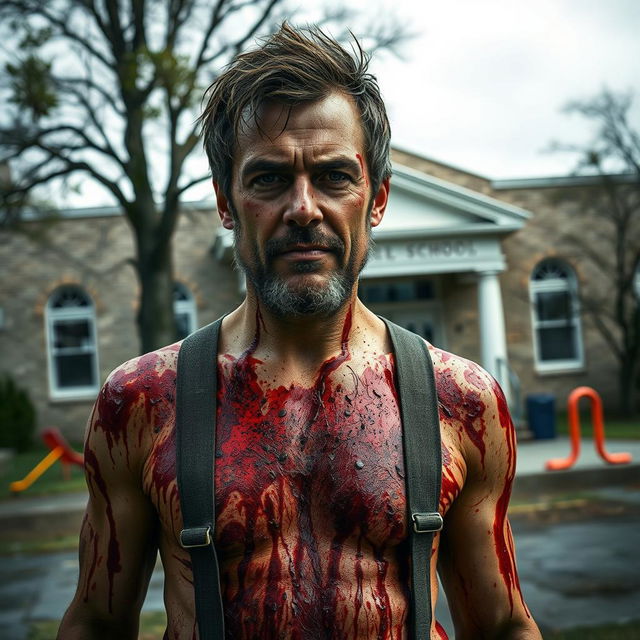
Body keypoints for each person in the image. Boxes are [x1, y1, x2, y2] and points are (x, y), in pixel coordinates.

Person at [58, 23, 542, 640]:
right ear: (226, 204)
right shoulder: (142, 402)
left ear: (378, 199)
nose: (304, 208)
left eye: (336, 176)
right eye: (269, 179)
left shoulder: (464, 403)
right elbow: (97, 623)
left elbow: (502, 626)